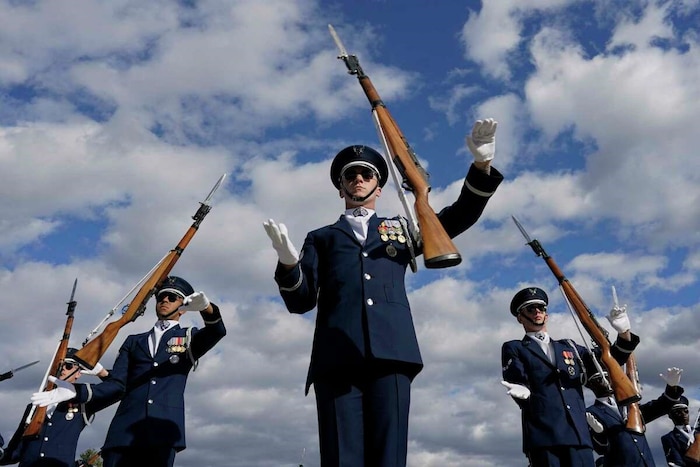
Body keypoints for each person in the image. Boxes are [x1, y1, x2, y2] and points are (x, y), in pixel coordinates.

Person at [263, 118, 503, 466]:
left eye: (367, 175)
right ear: (340, 187)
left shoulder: (402, 228)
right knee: (342, 458)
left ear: (378, 186)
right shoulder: (322, 237)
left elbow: (457, 218)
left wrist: (481, 166)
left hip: (393, 353)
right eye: (350, 176)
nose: (358, 180)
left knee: (389, 457)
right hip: (336, 356)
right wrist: (288, 264)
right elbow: (301, 301)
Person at [29, 276, 226, 467]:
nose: (165, 300)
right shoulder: (133, 341)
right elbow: (117, 385)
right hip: (123, 434)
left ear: (183, 308)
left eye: (172, 298)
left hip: (161, 434)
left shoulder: (188, 338)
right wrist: (77, 392)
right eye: (161, 297)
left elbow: (216, 332)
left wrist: (206, 309)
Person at [501, 286, 640, 467]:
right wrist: (525, 394)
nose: (537, 312)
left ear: (546, 315)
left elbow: (609, 361)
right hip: (544, 434)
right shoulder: (515, 347)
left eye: (541, 308)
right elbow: (516, 380)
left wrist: (624, 334)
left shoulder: (569, 347)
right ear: (520, 317)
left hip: (578, 434)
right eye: (530, 309)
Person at [0, 348, 110, 467]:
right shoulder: (34, 406)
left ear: (79, 373)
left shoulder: (83, 402)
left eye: (68, 366)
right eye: (59, 365)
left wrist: (102, 373)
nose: (62, 368)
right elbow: (15, 452)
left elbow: (119, 390)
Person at [585, 366, 685, 466]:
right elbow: (601, 449)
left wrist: (672, 388)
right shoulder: (592, 412)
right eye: (600, 379)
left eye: (607, 377)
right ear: (591, 385)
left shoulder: (628, 405)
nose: (606, 382)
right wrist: (599, 433)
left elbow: (657, 408)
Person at [661, 396, 700, 466]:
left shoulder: (698, 433)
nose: (683, 414)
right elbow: (676, 462)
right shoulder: (669, 438)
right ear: (670, 416)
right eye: (678, 412)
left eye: (686, 411)